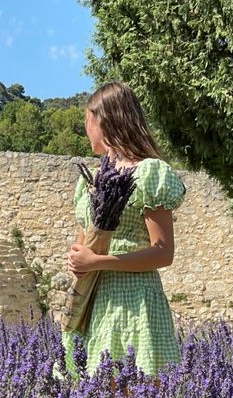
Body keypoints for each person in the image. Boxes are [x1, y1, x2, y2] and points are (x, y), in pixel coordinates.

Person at [62, 81, 185, 377]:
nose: (85, 129)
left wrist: (98, 262)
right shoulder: (91, 180)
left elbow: (163, 253)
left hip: (135, 301)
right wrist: (78, 262)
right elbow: (83, 247)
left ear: (104, 121)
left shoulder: (149, 173)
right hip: (93, 301)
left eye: (87, 121)